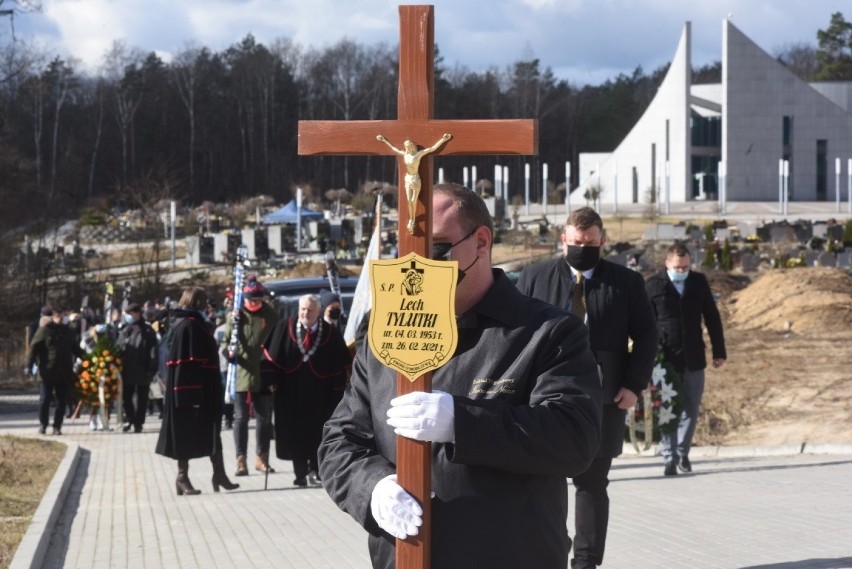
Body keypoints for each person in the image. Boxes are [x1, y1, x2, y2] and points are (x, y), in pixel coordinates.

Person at [318, 183, 602, 569]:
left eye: (435, 248)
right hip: (406, 559)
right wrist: (373, 488)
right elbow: (340, 442)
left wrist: (462, 423)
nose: (419, 264)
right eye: (407, 249)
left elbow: (574, 438)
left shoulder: (546, 332)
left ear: (481, 241)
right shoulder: (384, 339)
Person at [516, 206, 659, 569]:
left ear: (602, 241)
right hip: (542, 399)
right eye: (577, 242)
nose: (583, 248)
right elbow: (513, 335)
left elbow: (646, 335)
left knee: (592, 483)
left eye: (591, 243)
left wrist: (633, 385)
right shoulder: (534, 278)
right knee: (541, 482)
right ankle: (547, 555)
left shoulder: (626, 283)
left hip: (604, 400)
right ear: (563, 239)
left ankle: (586, 562)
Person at [645, 241, 726, 476]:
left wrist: (719, 351)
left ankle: (683, 453)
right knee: (667, 408)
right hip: (664, 359)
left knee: (691, 407)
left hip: (694, 357)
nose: (682, 271)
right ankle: (668, 457)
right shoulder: (652, 285)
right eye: (678, 267)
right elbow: (643, 324)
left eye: (686, 267)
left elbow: (712, 318)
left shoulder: (698, 282)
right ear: (667, 263)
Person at [155, 286, 239, 495]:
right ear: (198, 303)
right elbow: (186, 365)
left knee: (213, 432)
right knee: (186, 435)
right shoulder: (188, 326)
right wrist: (192, 396)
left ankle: (219, 474)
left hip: (204, 390)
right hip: (192, 394)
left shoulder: (193, 324)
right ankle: (182, 478)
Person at [262, 294, 351, 487]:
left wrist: (337, 392)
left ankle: (317, 471)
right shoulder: (284, 327)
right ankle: (299, 474)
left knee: (317, 433)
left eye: (310, 310)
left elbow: (339, 364)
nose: (305, 313)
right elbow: (270, 359)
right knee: (295, 433)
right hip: (290, 392)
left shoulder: (329, 332)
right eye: (303, 309)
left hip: (319, 394)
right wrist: (269, 381)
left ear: (318, 312)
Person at [220, 275, 279, 476]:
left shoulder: (270, 315)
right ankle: (240, 459)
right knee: (241, 418)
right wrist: (229, 352)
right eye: (251, 300)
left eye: (258, 300)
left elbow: (276, 342)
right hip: (241, 374)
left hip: (264, 373)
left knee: (264, 418)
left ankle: (261, 458)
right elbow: (225, 342)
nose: (254, 303)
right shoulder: (235, 317)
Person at [376, 133, 452, 234]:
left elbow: (432, 149)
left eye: (410, 145)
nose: (409, 147)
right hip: (408, 178)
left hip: (416, 179)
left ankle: (413, 220)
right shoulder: (405, 154)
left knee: (413, 200)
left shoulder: (418, 155)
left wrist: (443, 139)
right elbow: (394, 149)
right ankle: (412, 219)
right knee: (409, 201)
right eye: (407, 146)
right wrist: (384, 141)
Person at [27, 305, 86, 435]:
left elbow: (76, 349)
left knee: (62, 401)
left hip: (64, 372)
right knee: (44, 400)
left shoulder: (68, 332)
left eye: (62, 315)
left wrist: (89, 359)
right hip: (47, 371)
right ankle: (43, 424)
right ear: (53, 317)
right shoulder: (44, 330)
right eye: (57, 315)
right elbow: (33, 348)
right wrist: (29, 366)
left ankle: (57, 426)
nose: (60, 317)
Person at [116, 303, 159, 433]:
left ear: (137, 313)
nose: (128, 317)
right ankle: (130, 419)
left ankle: (139, 423)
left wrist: (152, 370)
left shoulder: (147, 331)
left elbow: (153, 352)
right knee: (126, 398)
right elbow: (119, 348)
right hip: (127, 370)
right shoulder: (125, 330)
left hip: (143, 369)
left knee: (142, 399)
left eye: (130, 314)